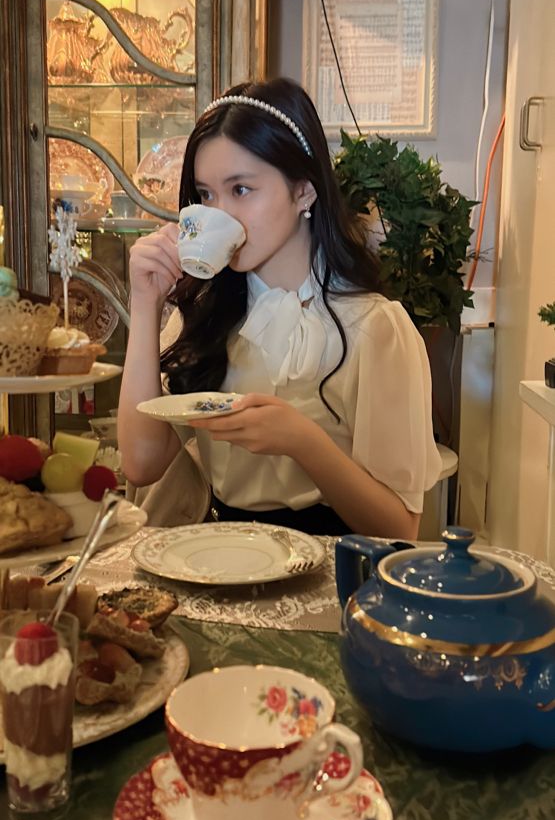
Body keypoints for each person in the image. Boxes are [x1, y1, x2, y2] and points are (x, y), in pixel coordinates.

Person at [118, 77, 441, 537]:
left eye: (241, 190)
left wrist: (303, 441)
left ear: (303, 192)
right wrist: (146, 304)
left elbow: (400, 529)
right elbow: (141, 463)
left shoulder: (375, 328)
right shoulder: (207, 315)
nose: (219, 214)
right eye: (206, 195)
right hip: (217, 566)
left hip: (328, 581)